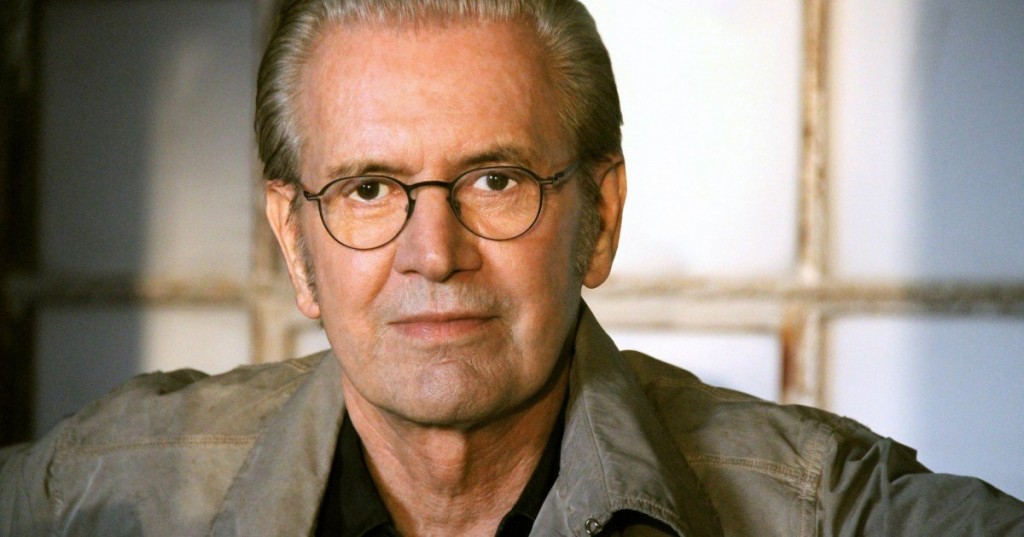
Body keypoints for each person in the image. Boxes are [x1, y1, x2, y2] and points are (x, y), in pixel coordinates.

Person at [2, 0, 1022, 535]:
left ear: (600, 218)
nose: (434, 254)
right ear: (295, 243)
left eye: (495, 180)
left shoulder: (819, 511)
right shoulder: (105, 485)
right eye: (368, 189)